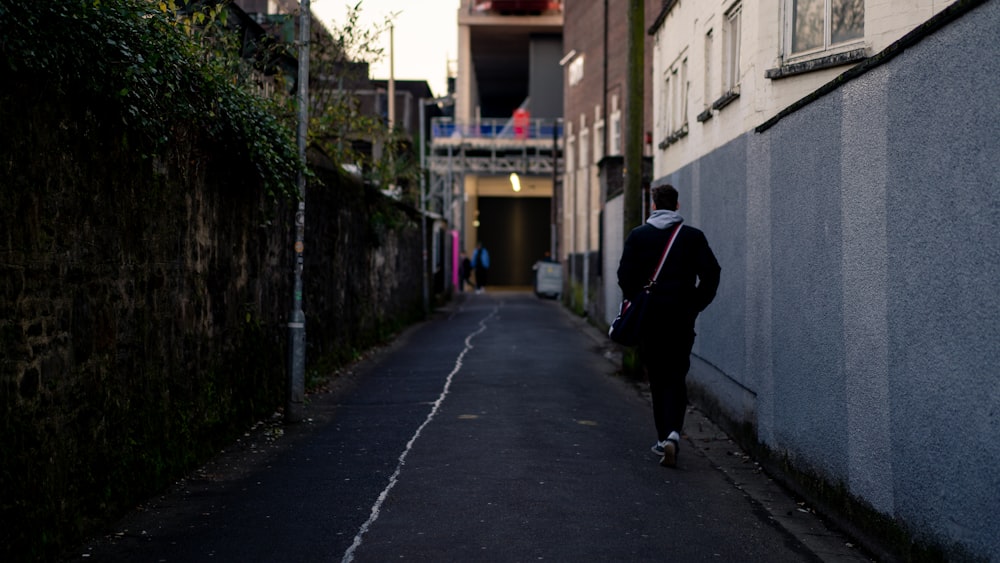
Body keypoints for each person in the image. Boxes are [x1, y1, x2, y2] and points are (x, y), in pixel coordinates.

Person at [616, 184, 720, 468]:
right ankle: (674, 431)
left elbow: (624, 276)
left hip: (650, 318)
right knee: (677, 374)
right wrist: (696, 303)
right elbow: (712, 274)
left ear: (652, 205)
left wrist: (637, 299)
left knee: (658, 377)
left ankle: (664, 437)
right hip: (681, 317)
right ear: (677, 206)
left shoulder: (638, 236)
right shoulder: (692, 237)